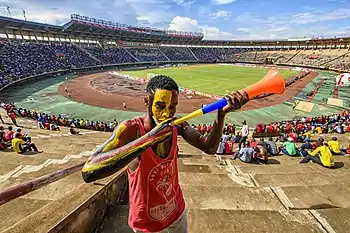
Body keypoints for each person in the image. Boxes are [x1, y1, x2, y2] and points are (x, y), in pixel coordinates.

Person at [82, 75, 248, 233]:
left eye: (173, 107)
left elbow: (209, 148)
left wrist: (221, 114)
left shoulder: (178, 125)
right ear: (147, 101)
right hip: (145, 221)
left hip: (176, 211)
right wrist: (149, 139)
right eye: (161, 106)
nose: (167, 113)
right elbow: (89, 171)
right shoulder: (131, 129)